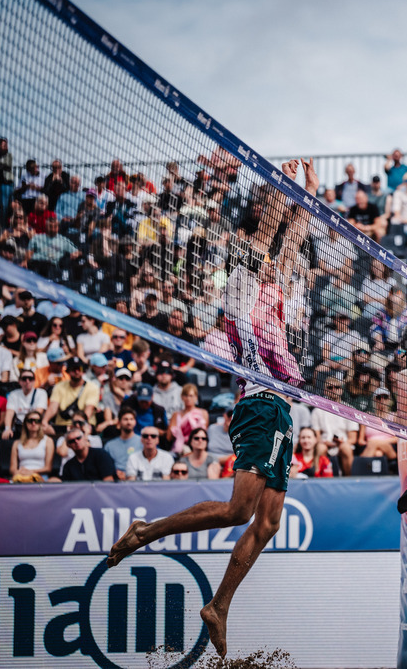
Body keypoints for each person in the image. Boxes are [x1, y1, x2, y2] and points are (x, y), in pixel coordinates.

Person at [108, 159, 319, 658]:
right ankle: (145, 533)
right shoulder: (243, 285)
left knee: (266, 522)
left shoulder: (276, 288)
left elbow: (289, 243)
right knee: (235, 510)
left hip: (281, 411)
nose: (275, 259)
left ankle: (218, 607)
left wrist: (307, 193)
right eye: (264, 253)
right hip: (259, 405)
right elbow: (269, 234)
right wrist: (280, 187)